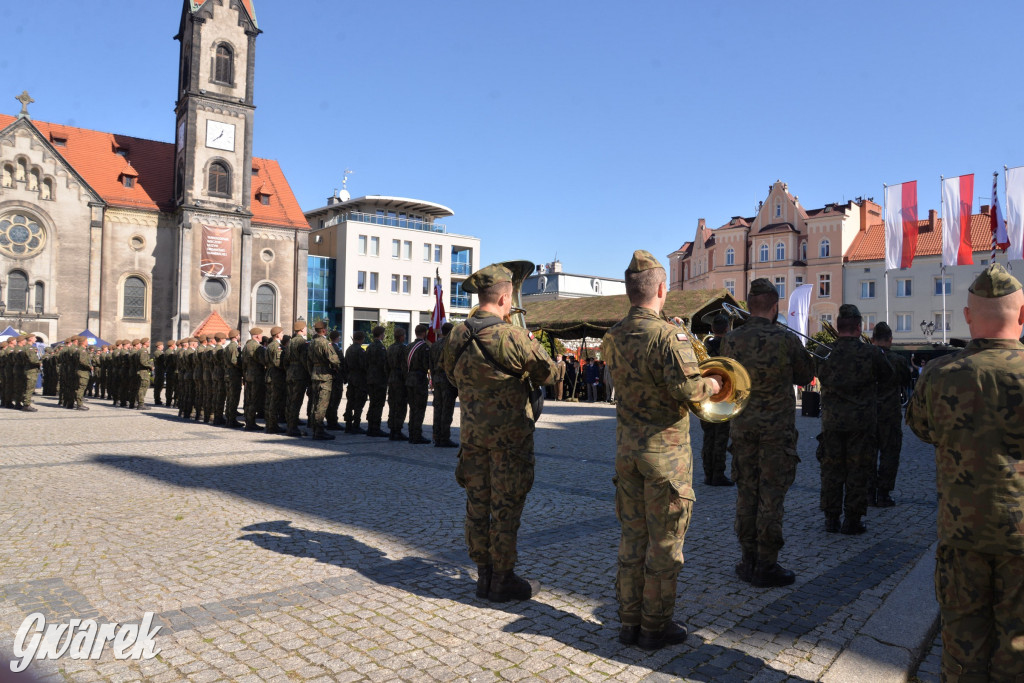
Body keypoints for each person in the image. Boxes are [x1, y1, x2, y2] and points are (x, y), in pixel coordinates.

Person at [906, 263, 1024, 682]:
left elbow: (921, 429)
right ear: (1023, 314)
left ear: (968, 316)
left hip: (962, 534)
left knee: (962, 644)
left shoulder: (939, 374)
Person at [603, 250, 721, 649]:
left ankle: (628, 621)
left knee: (632, 538)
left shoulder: (613, 335)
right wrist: (714, 386)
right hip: (665, 457)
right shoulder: (670, 336)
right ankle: (654, 626)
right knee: (665, 543)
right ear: (660, 288)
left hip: (627, 452)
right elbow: (690, 392)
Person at [443, 263, 557, 603]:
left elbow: (451, 377)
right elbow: (549, 374)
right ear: (506, 297)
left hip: (473, 439)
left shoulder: (456, 335)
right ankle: (502, 580)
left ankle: (483, 575)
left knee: (477, 505)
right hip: (510, 442)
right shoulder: (513, 336)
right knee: (505, 509)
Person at [721, 281, 813, 587]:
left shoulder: (731, 340)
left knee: (747, 494)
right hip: (777, 433)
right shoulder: (786, 338)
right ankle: (766, 564)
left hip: (743, 430)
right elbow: (804, 375)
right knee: (771, 497)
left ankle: (747, 559)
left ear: (749, 306)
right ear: (774, 308)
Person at [816, 304, 892, 535]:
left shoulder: (824, 351)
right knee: (858, 471)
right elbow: (888, 377)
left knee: (831, 471)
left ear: (838, 327)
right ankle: (852, 520)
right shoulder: (870, 353)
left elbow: (818, 374)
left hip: (832, 422)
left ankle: (831, 518)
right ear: (859, 328)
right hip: (861, 423)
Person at [869, 322, 912, 507]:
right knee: (890, 453)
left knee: (869, 453)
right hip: (890, 412)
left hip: (868, 411)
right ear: (891, 340)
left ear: (872, 339)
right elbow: (906, 382)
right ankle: (883, 494)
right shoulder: (898, 360)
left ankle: (869, 493)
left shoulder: (865, 357)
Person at [700, 314, 735, 488]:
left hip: (707, 395)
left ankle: (708, 474)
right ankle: (718, 474)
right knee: (720, 438)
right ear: (727, 328)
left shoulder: (704, 345)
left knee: (708, 437)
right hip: (724, 393)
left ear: (713, 329)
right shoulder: (730, 345)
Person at [307, 320, 340, 440]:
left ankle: (315, 428)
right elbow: (334, 359)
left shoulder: (312, 342)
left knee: (315, 403)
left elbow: (308, 361)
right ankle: (319, 430)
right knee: (322, 404)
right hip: (325, 375)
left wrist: (312, 372)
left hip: (315, 374)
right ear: (324, 330)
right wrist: (337, 368)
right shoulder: (325, 343)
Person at [429, 322, 458, 447]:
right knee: (446, 410)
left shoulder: (434, 345)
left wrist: (432, 378)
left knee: (438, 409)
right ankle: (444, 438)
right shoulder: (451, 345)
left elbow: (430, 363)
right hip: (447, 380)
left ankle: (436, 435)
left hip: (436, 378)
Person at [405, 324, 432, 444]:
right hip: (419, 379)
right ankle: (417, 435)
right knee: (419, 408)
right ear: (424, 333)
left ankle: (412, 433)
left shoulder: (409, 346)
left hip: (409, 378)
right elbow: (426, 364)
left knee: (412, 407)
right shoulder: (424, 347)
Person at [285, 321, 310, 437]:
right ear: (301, 330)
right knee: (296, 401)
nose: (306, 330)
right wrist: (309, 372)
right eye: (305, 328)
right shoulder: (302, 342)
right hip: (300, 374)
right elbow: (305, 360)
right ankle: (293, 428)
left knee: (290, 400)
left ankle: (290, 425)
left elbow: (285, 359)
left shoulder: (290, 342)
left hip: (290, 372)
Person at [365, 325, 389, 437]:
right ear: (380, 334)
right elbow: (384, 364)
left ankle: (370, 427)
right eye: (383, 333)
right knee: (378, 404)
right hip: (379, 379)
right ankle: (375, 428)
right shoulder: (380, 347)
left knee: (372, 403)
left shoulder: (369, 346)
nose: (384, 335)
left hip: (370, 378)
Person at [385, 327, 409, 441]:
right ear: (401, 337)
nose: (404, 337)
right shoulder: (403, 348)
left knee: (392, 404)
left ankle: (392, 430)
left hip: (392, 377)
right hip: (400, 378)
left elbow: (386, 365)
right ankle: (397, 430)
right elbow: (405, 365)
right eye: (404, 335)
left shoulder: (389, 348)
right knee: (400, 405)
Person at [343, 331, 368, 434]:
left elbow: (345, 364)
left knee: (350, 401)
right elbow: (364, 366)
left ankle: (348, 424)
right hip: (359, 378)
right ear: (362, 339)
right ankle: (356, 424)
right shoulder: (360, 351)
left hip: (351, 377)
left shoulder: (349, 349)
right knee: (359, 402)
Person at [240, 328, 264, 431]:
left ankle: (248, 420)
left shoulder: (246, 346)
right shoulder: (257, 347)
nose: (262, 337)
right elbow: (263, 361)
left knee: (248, 399)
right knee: (255, 399)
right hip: (256, 375)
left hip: (248, 374)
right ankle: (251, 423)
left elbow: (243, 363)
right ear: (257, 336)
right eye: (261, 335)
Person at [264, 326, 286, 434]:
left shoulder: (269, 345)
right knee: (274, 402)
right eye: (281, 333)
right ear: (277, 334)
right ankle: (272, 425)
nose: (282, 335)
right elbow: (278, 363)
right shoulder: (277, 346)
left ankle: (270, 424)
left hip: (270, 374)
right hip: (276, 376)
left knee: (269, 401)